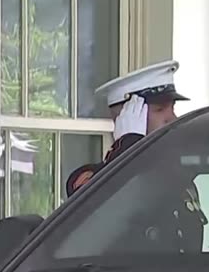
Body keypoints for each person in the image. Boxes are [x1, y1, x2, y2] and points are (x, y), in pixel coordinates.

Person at [65, 59, 189, 198]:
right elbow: (102, 202)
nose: (173, 118)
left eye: (172, 108)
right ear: (127, 116)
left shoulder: (174, 174)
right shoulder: (87, 178)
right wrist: (128, 144)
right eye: (159, 109)